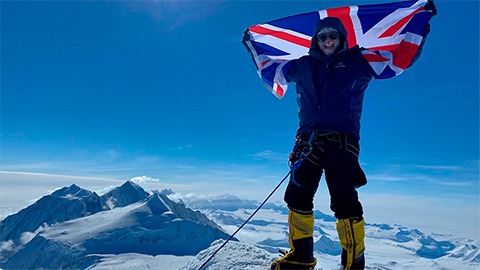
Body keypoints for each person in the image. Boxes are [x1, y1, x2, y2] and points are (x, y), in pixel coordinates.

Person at [269, 5, 435, 270]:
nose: (327, 41)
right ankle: (300, 257)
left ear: (341, 37)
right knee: (297, 197)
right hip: (307, 141)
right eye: (322, 37)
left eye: (332, 36)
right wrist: (252, 45)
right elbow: (272, 68)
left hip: (341, 142)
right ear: (316, 40)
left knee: (344, 202)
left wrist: (421, 21)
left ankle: (353, 265)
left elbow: (400, 58)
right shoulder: (302, 65)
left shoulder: (360, 61)